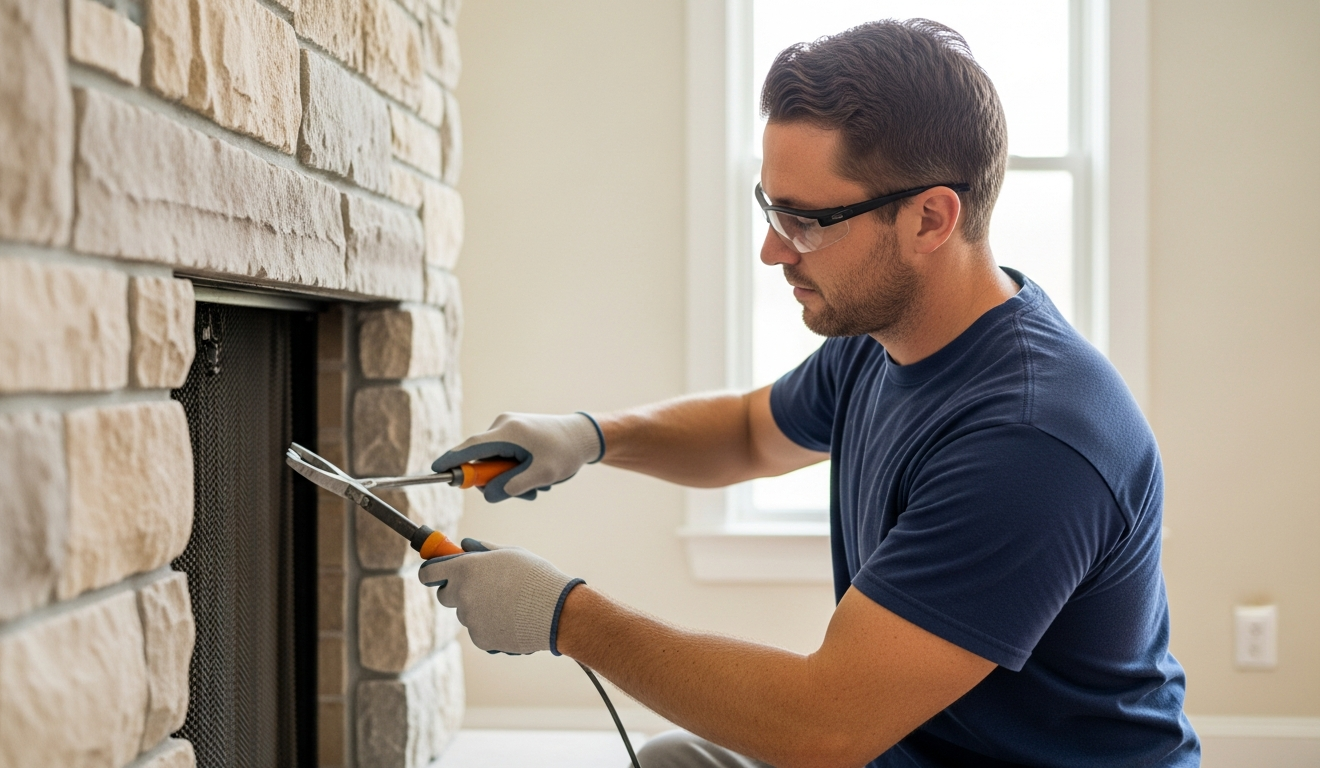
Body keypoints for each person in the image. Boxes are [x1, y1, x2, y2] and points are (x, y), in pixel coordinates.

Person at [417, 19, 1200, 768]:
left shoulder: (1032, 440)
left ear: (930, 218)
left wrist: (563, 615)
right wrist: (587, 436)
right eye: (769, 207)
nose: (770, 249)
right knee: (673, 761)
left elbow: (823, 727)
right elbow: (752, 432)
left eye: (805, 221)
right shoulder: (882, 339)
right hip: (903, 753)